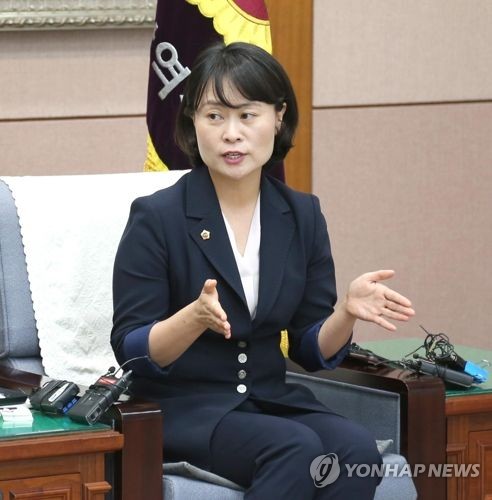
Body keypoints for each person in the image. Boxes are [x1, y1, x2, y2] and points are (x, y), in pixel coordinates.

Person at [111, 41, 415, 499]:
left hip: (271, 398)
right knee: (294, 449)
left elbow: (310, 349)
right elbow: (131, 349)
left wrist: (346, 313)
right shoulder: (157, 217)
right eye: (215, 116)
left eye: (247, 115)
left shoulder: (302, 214)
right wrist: (192, 319)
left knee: (355, 449)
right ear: (193, 123)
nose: (231, 134)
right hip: (183, 408)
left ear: (278, 117)